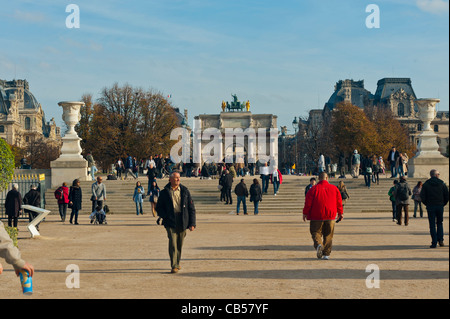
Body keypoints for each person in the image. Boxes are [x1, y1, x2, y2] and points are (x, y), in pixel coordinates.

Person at [155, 171, 196, 273]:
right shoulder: (165, 192)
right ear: (170, 179)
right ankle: (174, 265)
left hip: (182, 220)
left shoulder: (185, 191)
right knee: (173, 243)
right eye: (176, 178)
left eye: (179, 178)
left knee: (179, 243)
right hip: (170, 220)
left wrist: (192, 223)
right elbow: (159, 207)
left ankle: (177, 262)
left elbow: (191, 208)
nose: (178, 179)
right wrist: (165, 216)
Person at [303, 172, 343, 260]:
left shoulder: (313, 189)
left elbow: (308, 203)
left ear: (318, 179)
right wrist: (340, 213)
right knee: (328, 235)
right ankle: (326, 254)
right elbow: (339, 202)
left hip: (316, 214)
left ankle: (318, 245)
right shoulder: (334, 188)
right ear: (327, 178)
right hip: (331, 215)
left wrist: (305, 213)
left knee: (316, 232)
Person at [420, 169, 449, 248]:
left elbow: (422, 196)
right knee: (440, 223)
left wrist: (427, 203)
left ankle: (434, 242)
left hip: (430, 206)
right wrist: (443, 203)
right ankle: (441, 240)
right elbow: (447, 195)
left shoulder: (426, 184)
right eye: (438, 174)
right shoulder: (442, 183)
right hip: (439, 205)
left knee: (432, 225)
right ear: (436, 175)